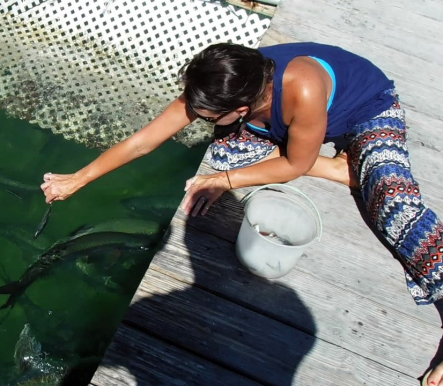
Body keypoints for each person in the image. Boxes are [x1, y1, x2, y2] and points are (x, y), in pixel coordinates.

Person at [39, 42, 443, 385]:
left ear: (242, 107)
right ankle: (343, 167)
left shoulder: (301, 88)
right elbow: (145, 141)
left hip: (367, 114)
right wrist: (78, 178)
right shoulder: (223, 81)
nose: (200, 118)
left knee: (393, 203)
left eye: (211, 117)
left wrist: (225, 182)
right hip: (283, 124)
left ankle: (357, 168)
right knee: (225, 152)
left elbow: (295, 166)